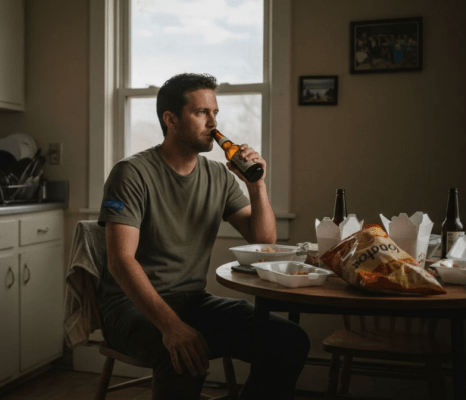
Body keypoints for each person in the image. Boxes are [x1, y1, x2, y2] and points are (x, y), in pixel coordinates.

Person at [97, 73, 309, 400]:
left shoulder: (218, 176)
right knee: (183, 354)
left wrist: (257, 186)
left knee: (288, 339)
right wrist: (171, 326)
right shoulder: (132, 173)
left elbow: (265, 244)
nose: (213, 122)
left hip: (194, 301)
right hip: (131, 308)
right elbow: (120, 261)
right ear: (171, 120)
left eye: (215, 113)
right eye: (201, 113)